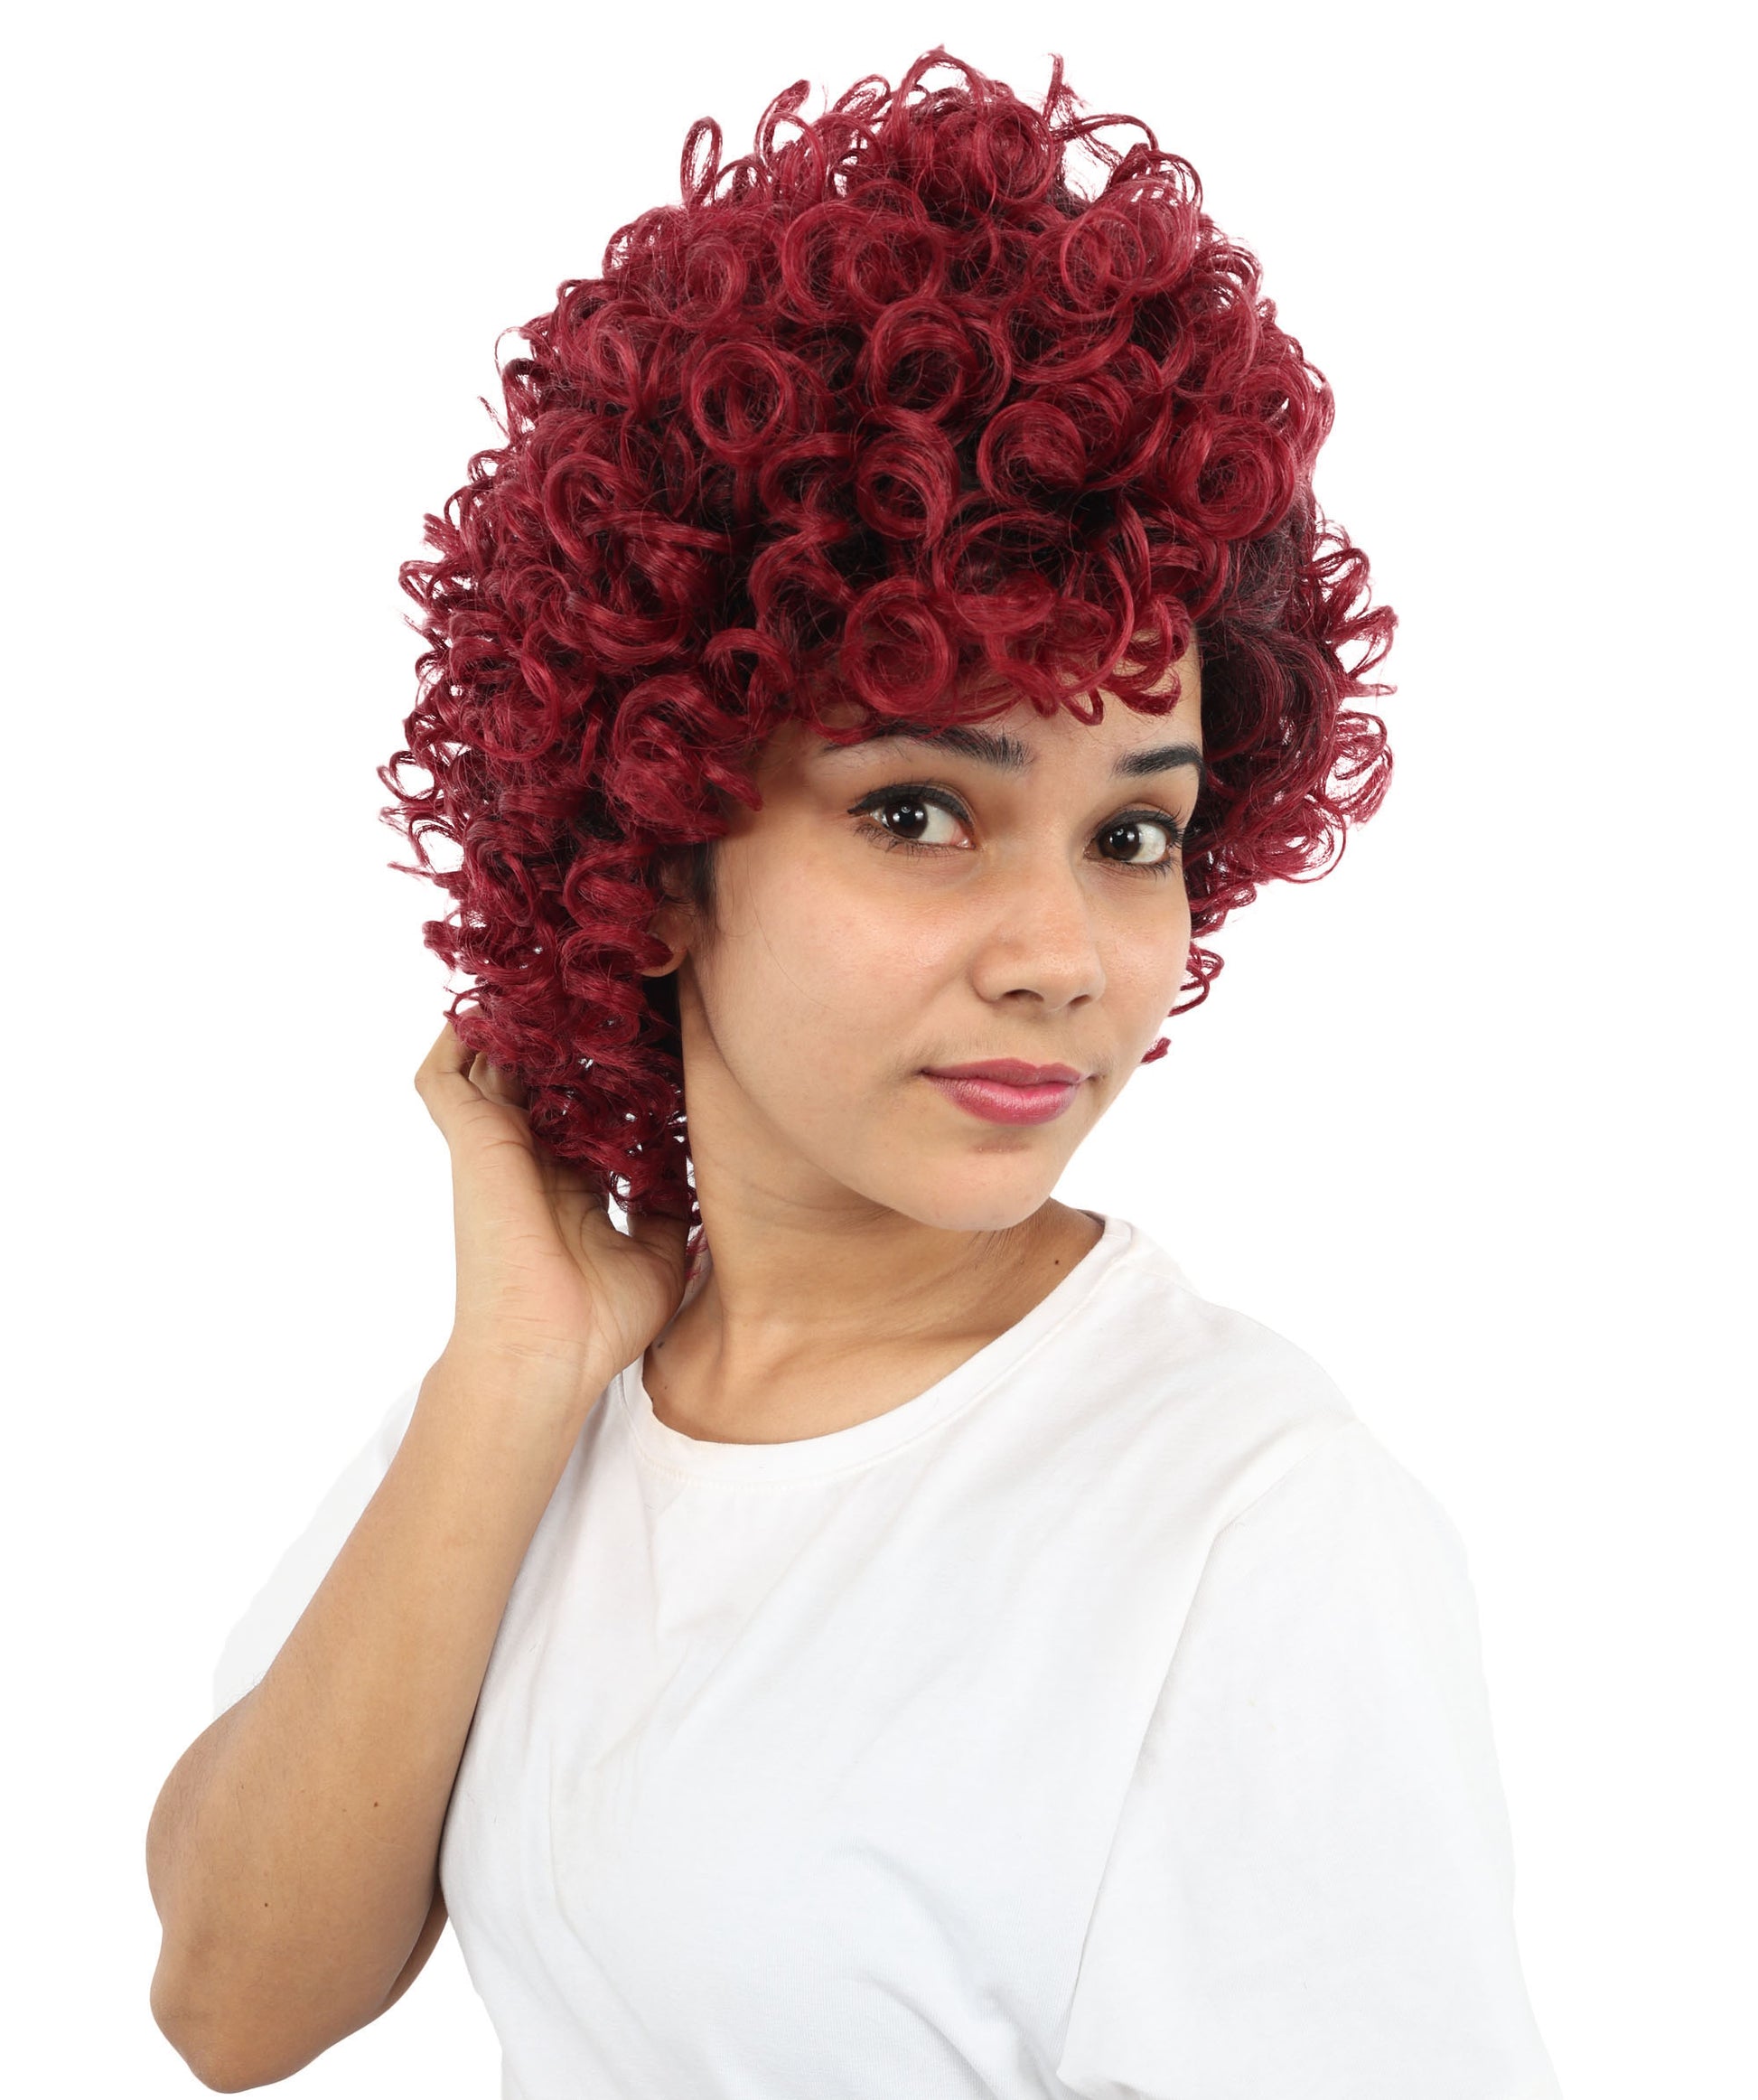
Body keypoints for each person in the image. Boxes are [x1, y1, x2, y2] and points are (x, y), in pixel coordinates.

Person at [144, 46, 1562, 2099]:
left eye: (1132, 831)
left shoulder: (1243, 1522)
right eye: (918, 811)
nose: (1060, 955)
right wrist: (513, 1376)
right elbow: (230, 1997)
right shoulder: (548, 1404)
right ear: (656, 846)